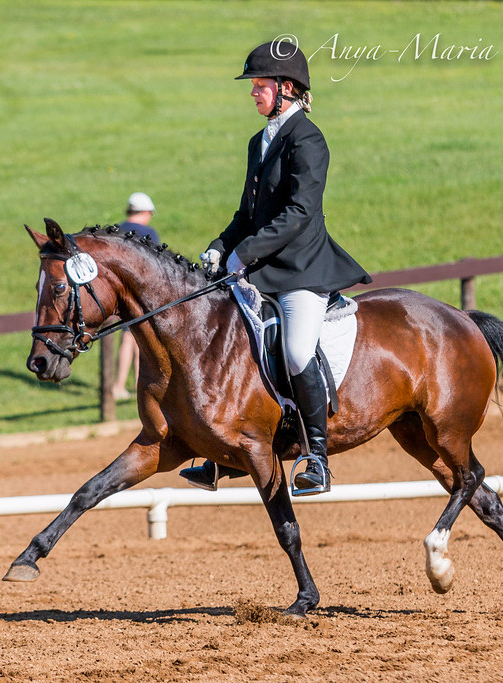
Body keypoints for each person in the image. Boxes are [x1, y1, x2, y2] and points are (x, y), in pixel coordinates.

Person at [180, 40, 372, 494]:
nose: (253, 92)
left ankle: (316, 458)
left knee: (298, 350)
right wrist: (218, 247)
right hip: (261, 268)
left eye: (260, 85)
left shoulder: (308, 139)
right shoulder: (258, 141)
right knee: (224, 339)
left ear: (287, 88)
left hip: (301, 269)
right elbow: (248, 214)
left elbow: (299, 213)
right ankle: (224, 452)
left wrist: (244, 254)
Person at [112, 192, 159, 400]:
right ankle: (132, 385)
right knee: (138, 339)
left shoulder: (118, 231)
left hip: (120, 295)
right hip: (140, 296)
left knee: (128, 338)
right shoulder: (149, 232)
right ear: (146, 212)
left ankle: (122, 385)